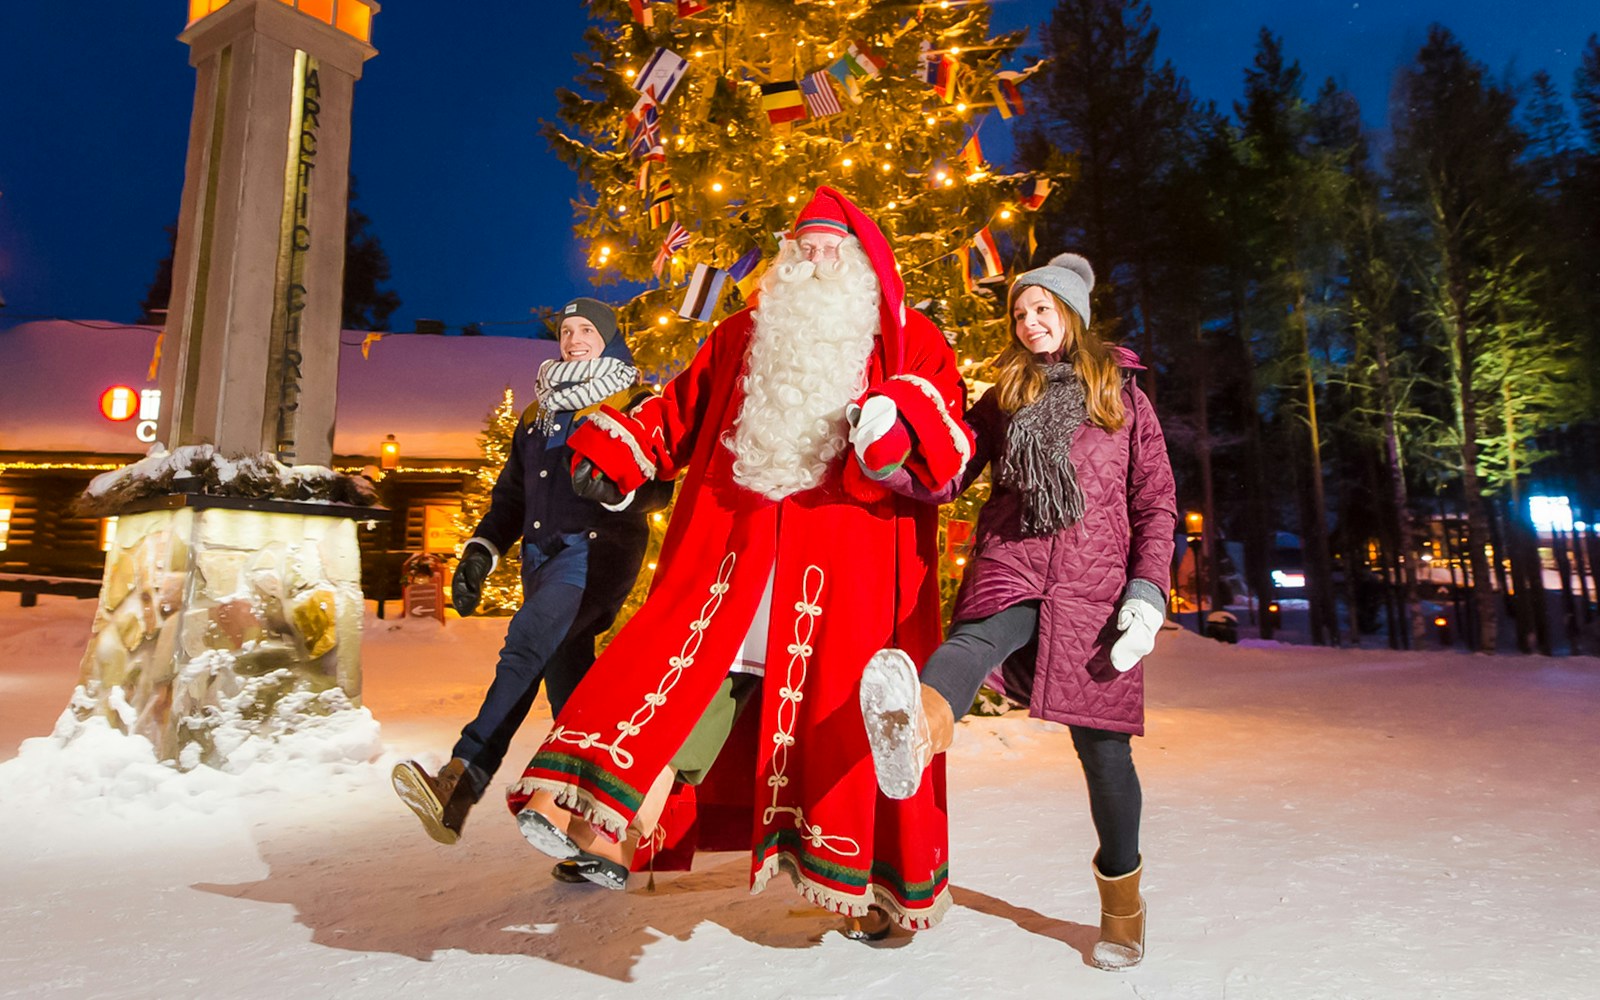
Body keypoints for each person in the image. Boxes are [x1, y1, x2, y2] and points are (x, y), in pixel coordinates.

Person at [504, 188, 972, 937]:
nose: (816, 264)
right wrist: (620, 449)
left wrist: (898, 419)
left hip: (842, 576)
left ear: (858, 263)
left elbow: (949, 446)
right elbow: (677, 412)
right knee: (686, 682)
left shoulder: (908, 338)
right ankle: (602, 829)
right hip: (738, 554)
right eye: (805, 250)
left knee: (842, 724)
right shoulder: (740, 335)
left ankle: (873, 889)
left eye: (831, 252)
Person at [858, 253, 1177, 969]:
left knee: (1103, 755)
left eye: (1042, 309)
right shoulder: (1006, 393)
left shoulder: (1123, 396)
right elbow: (953, 462)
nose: (1030, 324)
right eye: (1020, 313)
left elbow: (1154, 501)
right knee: (974, 639)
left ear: (1071, 314)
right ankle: (913, 729)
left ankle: (1123, 907)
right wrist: (889, 455)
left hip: (1097, 584)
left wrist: (1147, 594)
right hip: (1016, 554)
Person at [391, 297, 670, 883]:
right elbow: (510, 500)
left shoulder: (635, 402)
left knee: (524, 646)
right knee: (574, 695)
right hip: (544, 561)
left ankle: (460, 779)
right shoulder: (537, 415)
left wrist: (617, 491)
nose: (573, 339)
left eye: (586, 330)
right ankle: (601, 839)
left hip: (598, 553)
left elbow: (660, 484)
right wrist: (479, 551)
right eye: (566, 331)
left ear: (609, 339)